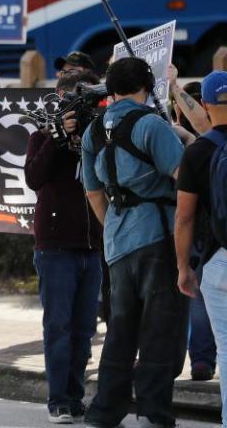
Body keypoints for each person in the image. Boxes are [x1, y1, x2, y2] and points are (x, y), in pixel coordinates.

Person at [81, 57, 187, 428]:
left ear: (110, 89)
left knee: (121, 329)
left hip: (117, 239)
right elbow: (183, 179)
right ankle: (153, 414)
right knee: (159, 329)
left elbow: (94, 194)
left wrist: (114, 225)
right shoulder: (152, 125)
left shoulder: (93, 131)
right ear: (147, 87)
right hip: (159, 235)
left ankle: (105, 412)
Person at [24, 71, 104, 424]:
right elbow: (33, 178)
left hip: (92, 246)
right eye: (73, 98)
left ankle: (75, 395)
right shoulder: (42, 135)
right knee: (59, 325)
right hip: (55, 246)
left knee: (85, 328)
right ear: (60, 98)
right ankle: (59, 400)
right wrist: (57, 137)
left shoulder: (100, 134)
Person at [177, 71, 227, 428]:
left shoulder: (198, 151)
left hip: (218, 261)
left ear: (207, 104)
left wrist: (183, 267)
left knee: (226, 351)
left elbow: (184, 218)